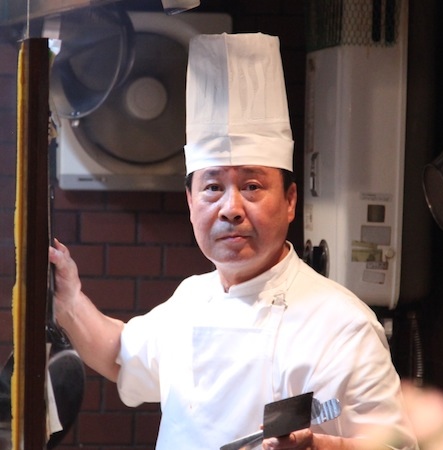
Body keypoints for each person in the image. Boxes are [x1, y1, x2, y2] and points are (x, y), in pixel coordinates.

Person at [49, 33, 418, 450]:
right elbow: (122, 357)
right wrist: (68, 298)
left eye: (252, 186)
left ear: (290, 200)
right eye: (212, 188)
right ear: (190, 202)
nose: (231, 208)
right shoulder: (190, 300)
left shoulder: (342, 324)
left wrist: (319, 446)